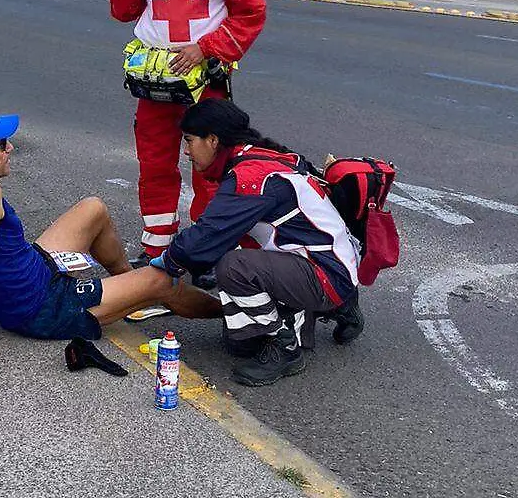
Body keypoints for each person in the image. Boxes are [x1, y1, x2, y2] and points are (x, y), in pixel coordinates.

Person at [0, 106, 221, 391]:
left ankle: (128, 292)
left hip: (35, 269)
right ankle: (233, 314)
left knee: (93, 209)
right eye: (1, 143)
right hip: (40, 308)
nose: (10, 148)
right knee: (164, 281)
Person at [108, 0, 267, 263]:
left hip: (205, 82)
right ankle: (157, 249)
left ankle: (209, 251)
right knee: (155, 163)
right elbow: (124, 11)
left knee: (211, 169)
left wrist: (206, 48)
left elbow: (251, 13)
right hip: (156, 80)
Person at [151, 99, 365, 387]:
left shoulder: (250, 177)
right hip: (331, 260)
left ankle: (285, 347)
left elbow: (205, 237)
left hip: (324, 271)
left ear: (213, 140)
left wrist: (169, 261)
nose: (186, 151)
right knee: (238, 342)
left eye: (189, 141)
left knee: (234, 267)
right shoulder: (267, 156)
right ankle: (338, 305)